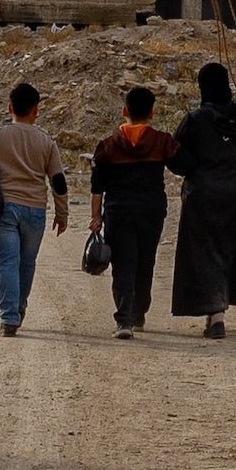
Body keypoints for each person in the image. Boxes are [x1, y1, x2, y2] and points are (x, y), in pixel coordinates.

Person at [168, 58, 236, 339]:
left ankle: (215, 313)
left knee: (205, 252)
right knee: (230, 249)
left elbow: (174, 155)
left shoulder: (194, 120)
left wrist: (194, 170)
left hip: (204, 194)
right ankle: (219, 309)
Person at [0, 81, 69, 335]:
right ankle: (20, 307)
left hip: (3, 208)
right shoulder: (47, 141)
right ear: (36, 110)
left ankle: (9, 317)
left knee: (5, 262)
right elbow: (58, 180)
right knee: (27, 262)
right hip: (35, 210)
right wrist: (62, 213)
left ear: (9, 107)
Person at [88, 86, 176, 339]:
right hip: (152, 210)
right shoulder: (161, 141)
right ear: (152, 113)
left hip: (119, 212)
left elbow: (97, 188)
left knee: (123, 263)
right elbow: (184, 164)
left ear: (124, 111)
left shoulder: (108, 146)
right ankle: (139, 312)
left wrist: (96, 217)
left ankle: (123, 319)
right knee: (146, 261)